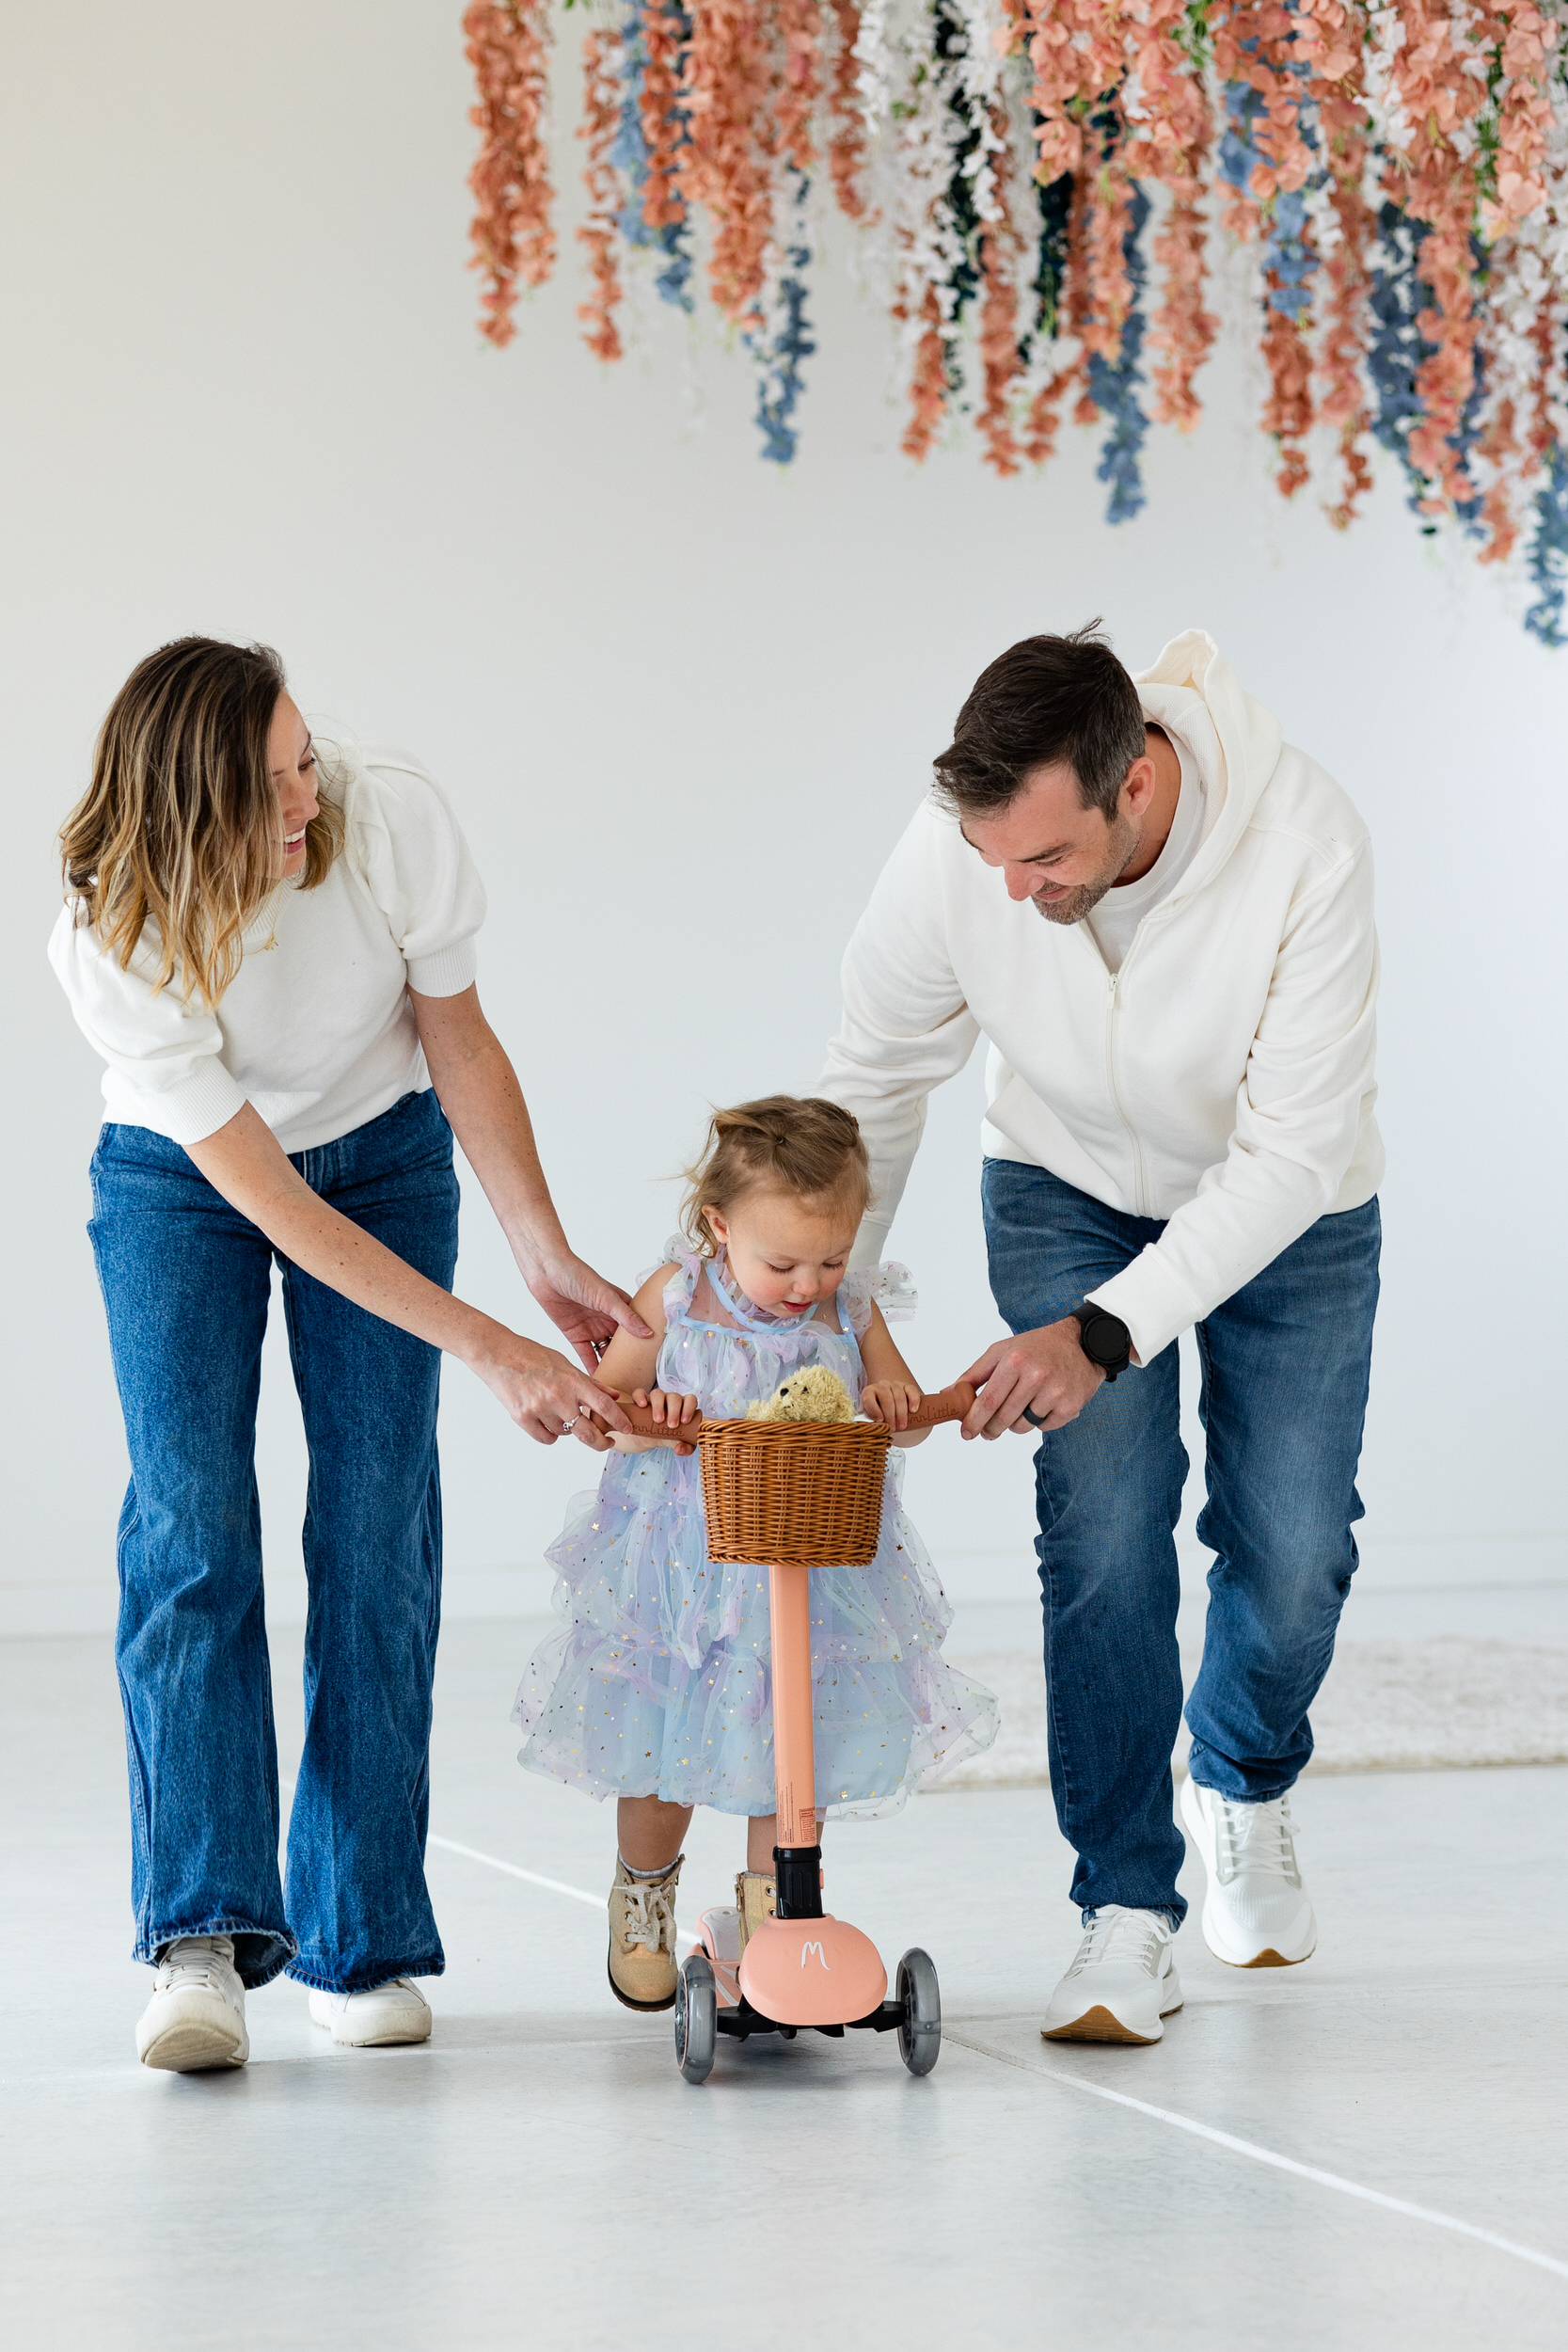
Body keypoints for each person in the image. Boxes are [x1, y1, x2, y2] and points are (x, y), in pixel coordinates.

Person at [50, 637, 639, 2073]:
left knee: (378, 1523)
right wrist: (494, 1350)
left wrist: (541, 1253)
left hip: (383, 1153)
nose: (310, 793)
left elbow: (460, 1039)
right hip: (189, 1181)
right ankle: (198, 1941)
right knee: (193, 1525)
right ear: (190, 809)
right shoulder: (108, 931)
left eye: (304, 755)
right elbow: (270, 1201)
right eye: (271, 783)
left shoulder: (387, 821)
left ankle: (359, 1931)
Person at [820, 625, 1381, 2045]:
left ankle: (1242, 1781)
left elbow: (1287, 1156)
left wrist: (1101, 1332)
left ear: (1133, 783)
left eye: (1044, 863)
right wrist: (849, 1301)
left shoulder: (1303, 845)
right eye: (994, 860)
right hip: (1063, 1183)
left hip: (1287, 1208)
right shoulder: (965, 850)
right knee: (1105, 1527)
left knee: (1293, 1540)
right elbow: (876, 1077)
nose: (1013, 892)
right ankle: (1123, 1909)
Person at [512, 1096, 998, 2008]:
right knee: (664, 1748)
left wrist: (893, 1395)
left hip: (811, 1565)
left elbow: (893, 1408)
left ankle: (780, 1914)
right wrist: (648, 1420)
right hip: (685, 1578)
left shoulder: (849, 1310)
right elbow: (605, 1418)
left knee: (793, 1753)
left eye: (830, 1258)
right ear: (717, 1225)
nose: (805, 1283)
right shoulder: (675, 1298)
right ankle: (643, 1896)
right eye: (780, 1262)